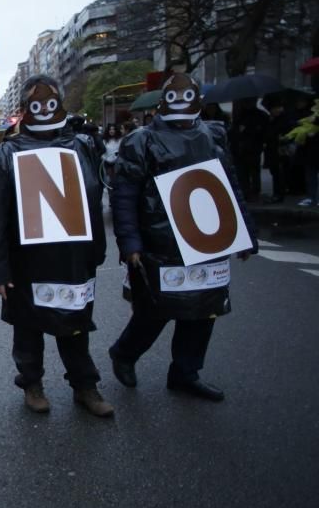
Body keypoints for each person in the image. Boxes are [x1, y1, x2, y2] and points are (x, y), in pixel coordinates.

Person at [108, 72, 258, 402]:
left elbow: (229, 185)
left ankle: (185, 372)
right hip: (158, 244)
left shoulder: (214, 135)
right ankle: (125, 353)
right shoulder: (141, 140)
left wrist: (244, 233)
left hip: (207, 241)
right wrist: (129, 242)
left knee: (204, 310)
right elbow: (125, 194)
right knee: (154, 310)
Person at [0, 75, 113, 417]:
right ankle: (32, 384)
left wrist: (97, 249)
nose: (43, 110)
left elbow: (94, 200)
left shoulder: (81, 146)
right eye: (35, 104)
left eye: (50, 102)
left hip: (72, 256)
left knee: (76, 325)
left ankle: (85, 386)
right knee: (28, 328)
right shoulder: (6, 152)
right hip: (26, 260)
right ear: (24, 109)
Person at [230, 98, 267, 202]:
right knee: (244, 172)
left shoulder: (259, 116)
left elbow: (261, 132)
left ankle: (253, 192)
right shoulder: (241, 115)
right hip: (243, 148)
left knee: (252, 171)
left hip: (252, 147)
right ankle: (247, 191)